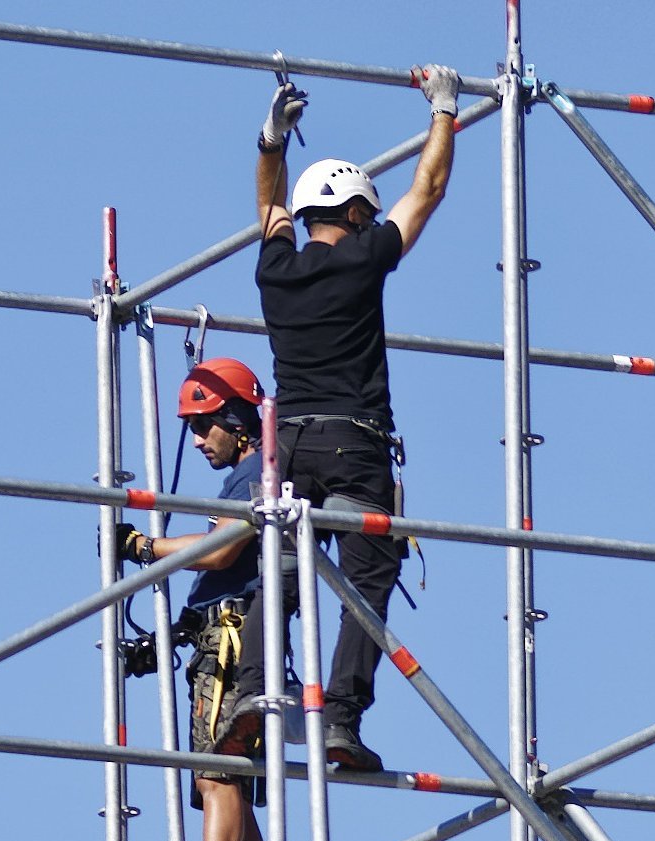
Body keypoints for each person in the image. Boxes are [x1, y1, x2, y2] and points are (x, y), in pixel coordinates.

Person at [249, 62, 463, 772]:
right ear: (351, 214)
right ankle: (339, 719)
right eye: (364, 214)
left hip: (286, 449)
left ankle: (254, 693)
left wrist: (271, 144)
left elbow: (270, 214)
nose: (372, 222)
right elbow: (426, 190)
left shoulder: (275, 271)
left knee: (281, 568)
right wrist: (443, 110)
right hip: (353, 443)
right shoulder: (363, 260)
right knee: (369, 570)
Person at [113, 358, 273, 841]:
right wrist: (168, 640)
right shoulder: (242, 474)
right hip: (220, 633)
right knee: (221, 788)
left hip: (232, 641)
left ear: (237, 419)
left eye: (206, 425)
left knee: (218, 778)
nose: (199, 439)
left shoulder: (253, 474)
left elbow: (226, 548)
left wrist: (144, 549)